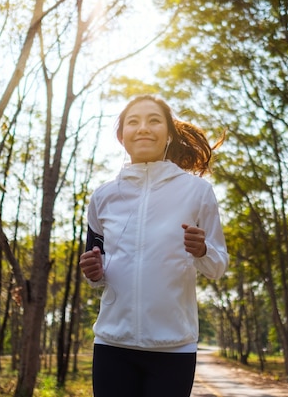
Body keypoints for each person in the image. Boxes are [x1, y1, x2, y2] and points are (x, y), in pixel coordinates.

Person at [79, 94, 229, 397]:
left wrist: (202, 250)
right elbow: (100, 267)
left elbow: (217, 265)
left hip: (173, 347)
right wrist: (94, 271)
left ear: (169, 134)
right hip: (112, 344)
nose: (143, 128)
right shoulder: (103, 197)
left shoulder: (197, 192)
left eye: (154, 120)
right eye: (133, 122)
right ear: (122, 137)